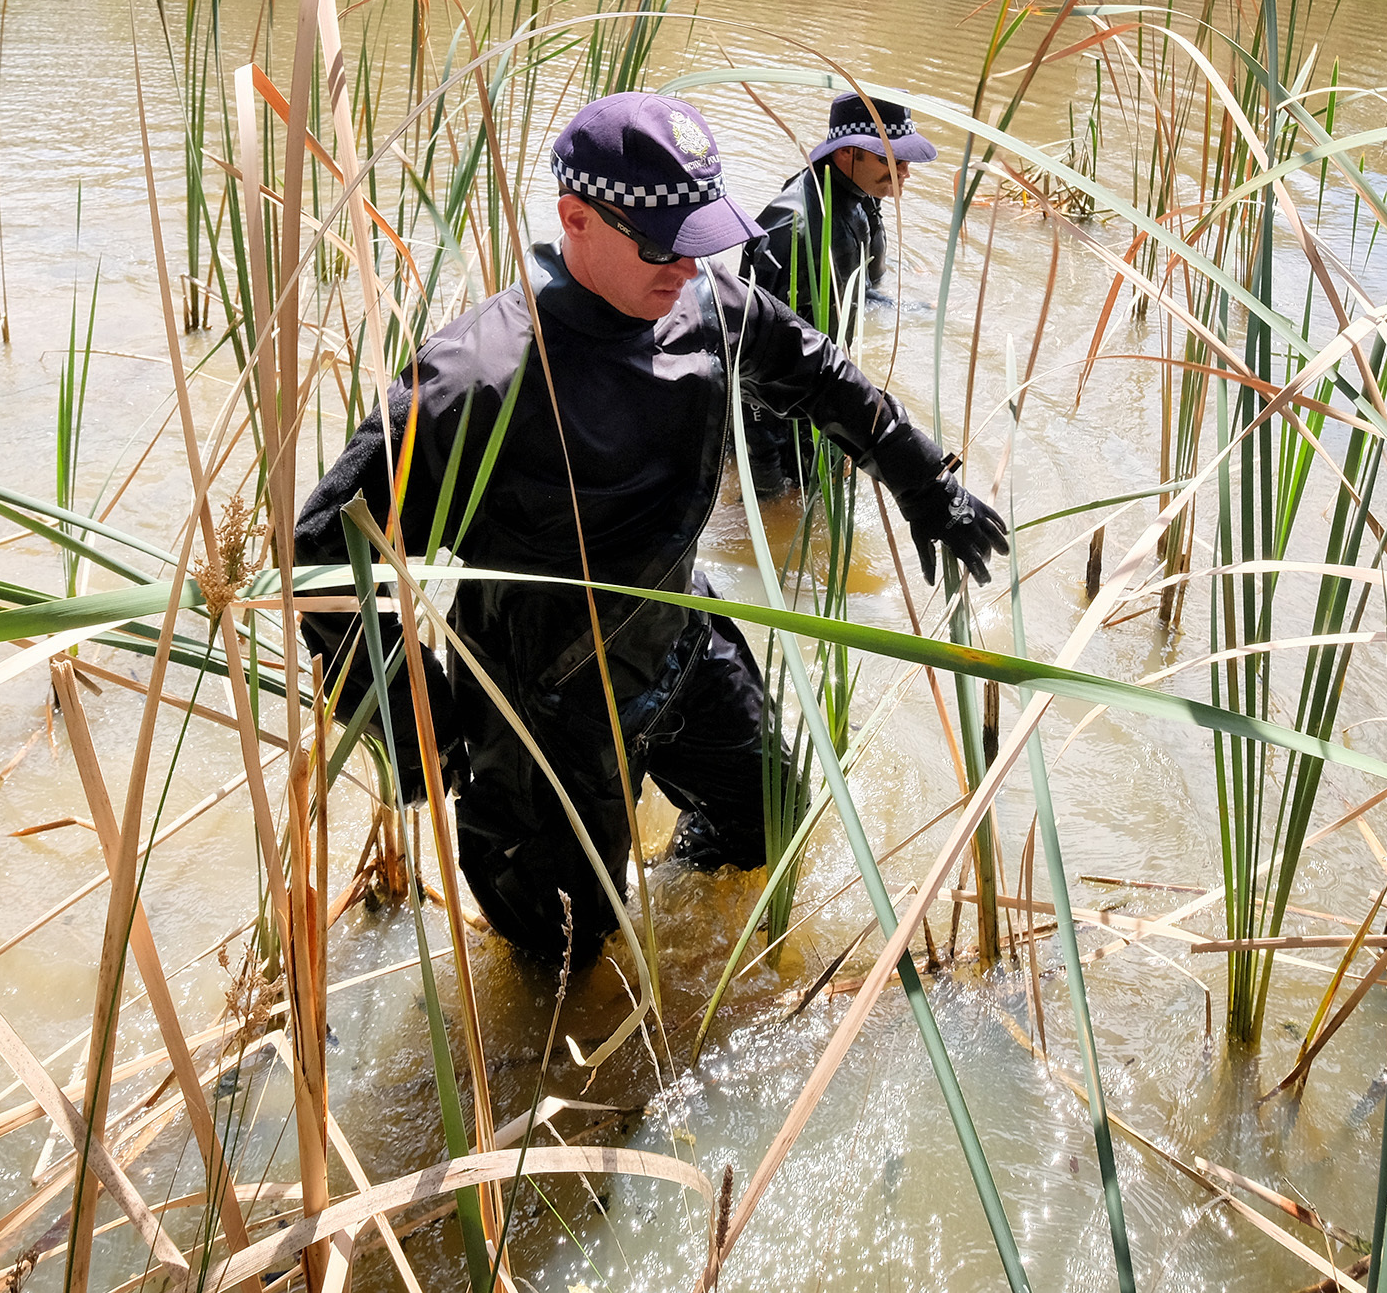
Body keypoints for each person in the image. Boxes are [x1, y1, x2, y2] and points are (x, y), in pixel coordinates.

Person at [291, 92, 1006, 971]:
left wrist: (923, 480)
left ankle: (672, 923)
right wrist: (413, 722)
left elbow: (817, 373)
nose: (687, 264)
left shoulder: (705, 306)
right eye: (665, 243)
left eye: (702, 238)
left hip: (677, 640)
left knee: (766, 826)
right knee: (560, 959)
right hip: (540, 711)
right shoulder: (476, 380)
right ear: (575, 220)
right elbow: (323, 549)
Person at [737, 89, 938, 495]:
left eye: (905, 161)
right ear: (848, 153)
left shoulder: (855, 192)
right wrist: (763, 473)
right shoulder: (791, 230)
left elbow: (859, 281)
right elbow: (746, 354)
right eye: (890, 160)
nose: (904, 172)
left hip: (822, 387)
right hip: (783, 414)